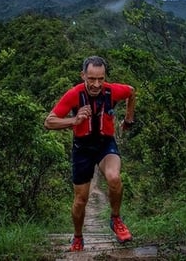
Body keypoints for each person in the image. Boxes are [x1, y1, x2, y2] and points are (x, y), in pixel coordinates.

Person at [44, 55, 136, 252]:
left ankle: (116, 219)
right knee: (80, 200)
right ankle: (78, 237)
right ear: (83, 75)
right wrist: (74, 121)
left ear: (105, 77)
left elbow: (131, 92)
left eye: (100, 79)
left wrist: (128, 120)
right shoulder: (74, 94)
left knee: (114, 178)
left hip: (105, 144)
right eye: (91, 79)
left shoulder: (112, 91)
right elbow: (49, 121)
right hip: (82, 148)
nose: (96, 84)